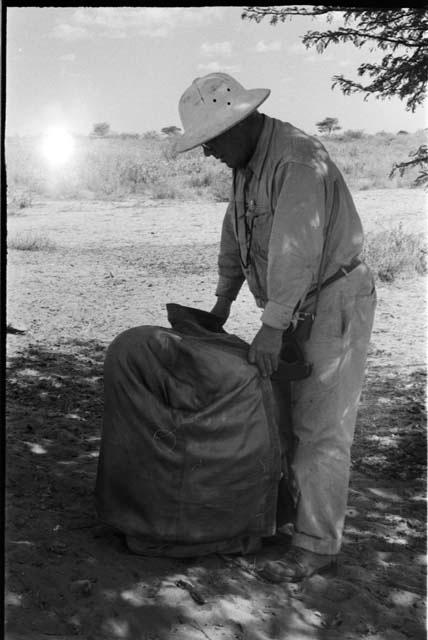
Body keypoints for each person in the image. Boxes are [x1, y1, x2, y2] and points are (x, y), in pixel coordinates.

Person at [172, 72, 376, 582]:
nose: (207, 153)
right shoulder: (247, 162)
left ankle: (317, 546)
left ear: (240, 123)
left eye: (212, 140)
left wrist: (271, 327)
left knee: (321, 429)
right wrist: (221, 304)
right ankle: (293, 525)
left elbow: (297, 250)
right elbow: (235, 231)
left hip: (333, 298)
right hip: (297, 303)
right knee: (285, 418)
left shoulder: (296, 160)